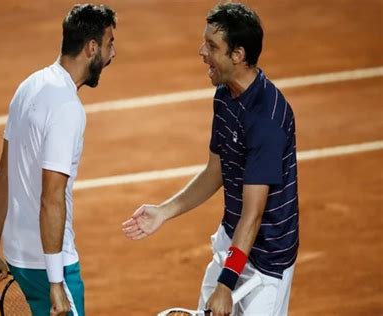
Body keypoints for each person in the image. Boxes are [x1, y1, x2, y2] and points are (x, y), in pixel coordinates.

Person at [122, 3, 298, 316]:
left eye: (212, 46)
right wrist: (165, 211)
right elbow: (215, 171)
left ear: (238, 55)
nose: (202, 51)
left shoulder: (266, 119)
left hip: (265, 263)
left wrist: (226, 284)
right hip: (233, 239)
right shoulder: (225, 96)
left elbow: (254, 214)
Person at [0, 4, 117, 316]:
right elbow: (52, 197)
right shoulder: (67, 108)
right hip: (50, 264)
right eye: (109, 44)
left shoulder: (29, 86)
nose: (113, 53)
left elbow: (3, 174)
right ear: (91, 47)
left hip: (18, 256)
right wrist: (57, 281)